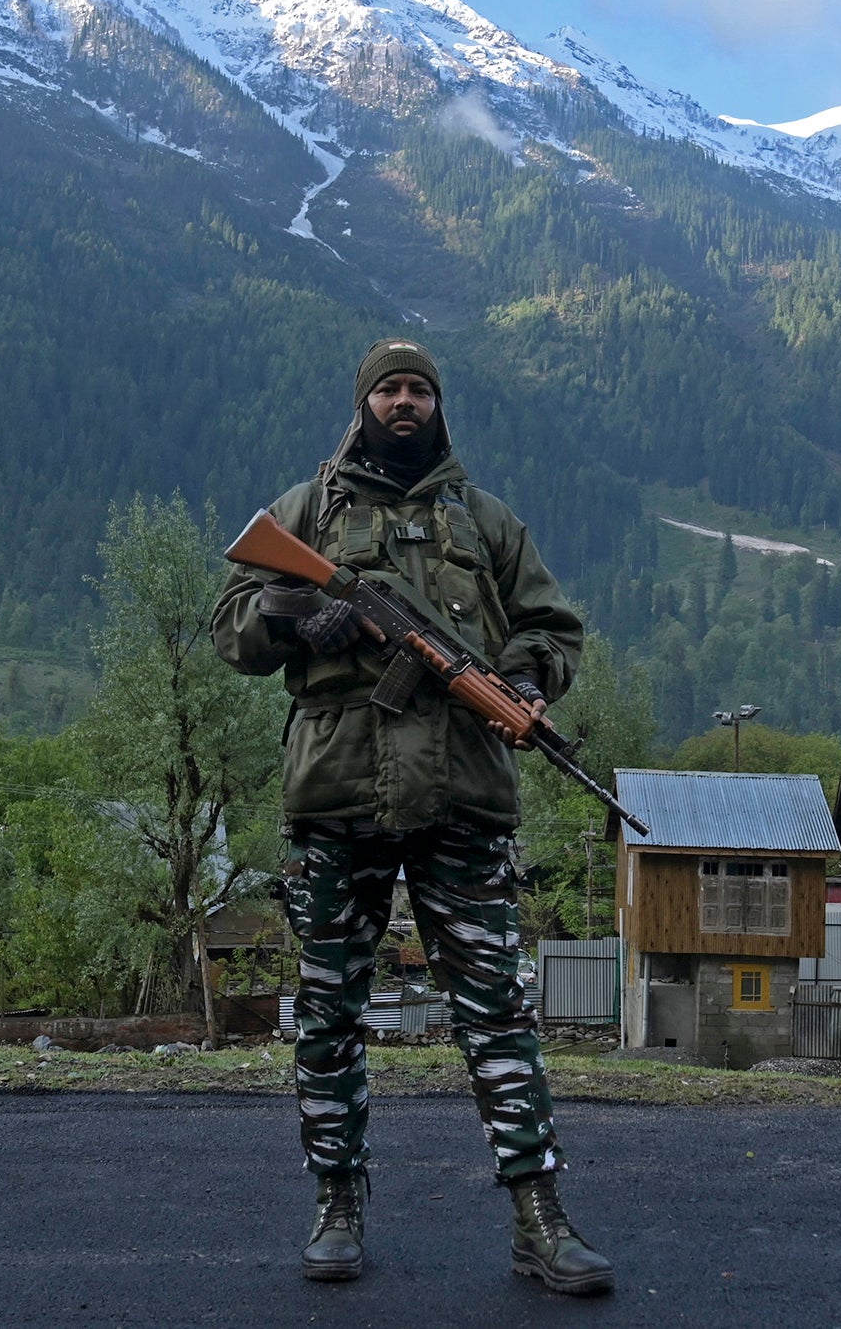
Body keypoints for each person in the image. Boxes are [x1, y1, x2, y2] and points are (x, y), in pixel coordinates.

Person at [213, 338, 612, 1295]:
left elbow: (551, 627)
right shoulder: (305, 513)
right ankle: (336, 1203)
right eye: (389, 388)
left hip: (463, 798)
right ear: (363, 404)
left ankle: (538, 1215)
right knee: (328, 1013)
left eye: (419, 390)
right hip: (336, 794)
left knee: (499, 1017)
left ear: (439, 407)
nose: (404, 401)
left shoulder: (485, 521)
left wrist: (517, 679)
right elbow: (232, 630)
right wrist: (298, 615)